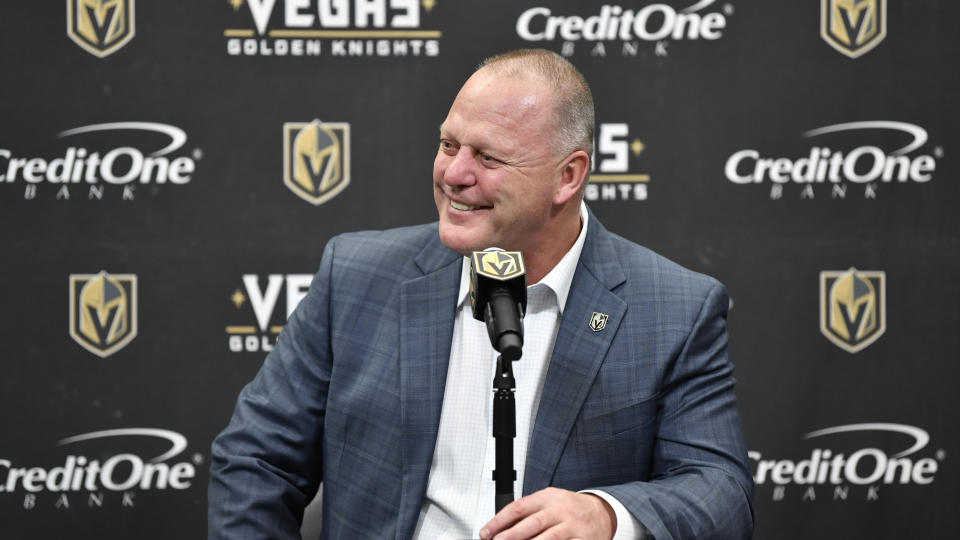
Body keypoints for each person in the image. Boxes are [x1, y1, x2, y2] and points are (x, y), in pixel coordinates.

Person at [209, 49, 754, 540]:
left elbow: (721, 493)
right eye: (449, 145)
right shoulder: (355, 276)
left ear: (568, 176)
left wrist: (608, 515)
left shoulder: (676, 308)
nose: (454, 174)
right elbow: (256, 459)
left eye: (489, 159)